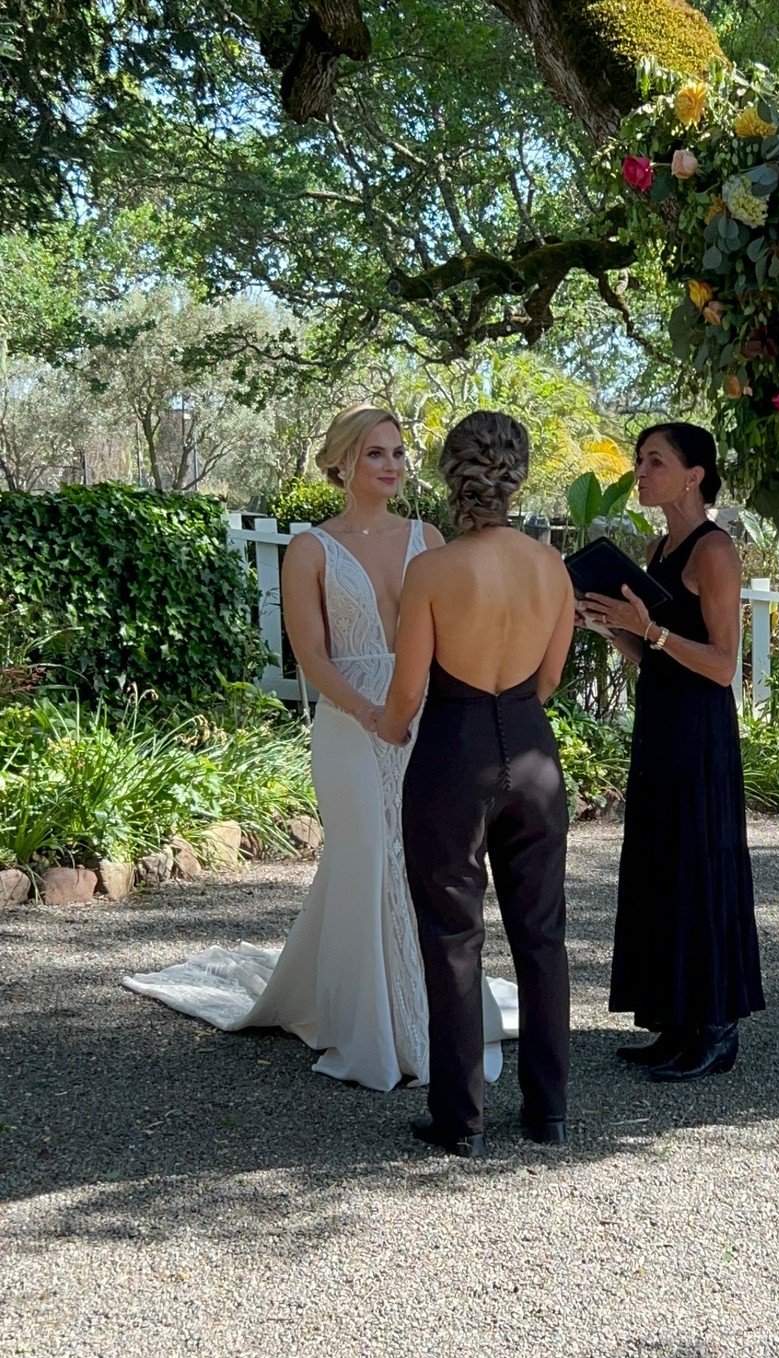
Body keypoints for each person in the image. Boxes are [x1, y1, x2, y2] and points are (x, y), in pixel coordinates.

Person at [123, 404, 519, 1090]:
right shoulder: (311, 548)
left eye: (398, 453)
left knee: (423, 860)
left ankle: (431, 1013)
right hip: (348, 722)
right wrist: (370, 712)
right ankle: (371, 1031)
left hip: (429, 720)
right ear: (341, 462)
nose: (392, 465)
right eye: (375, 454)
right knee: (368, 853)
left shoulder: (428, 535)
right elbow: (311, 656)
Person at [380, 409, 574, 1159]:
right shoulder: (551, 568)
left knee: (453, 934)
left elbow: (406, 696)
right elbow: (550, 678)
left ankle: (461, 1121)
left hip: (453, 752)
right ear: (518, 475)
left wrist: (388, 727)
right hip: (531, 750)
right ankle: (548, 1111)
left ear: (451, 475)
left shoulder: (431, 571)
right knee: (543, 934)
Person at [580, 422, 764, 1082]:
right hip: (660, 723)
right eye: (639, 459)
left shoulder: (715, 551)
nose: (641, 470)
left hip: (698, 730)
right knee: (661, 863)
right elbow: (651, 650)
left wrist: (652, 630)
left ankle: (717, 1030)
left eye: (654, 461)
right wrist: (610, 625)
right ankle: (676, 1019)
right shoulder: (660, 544)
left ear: (694, 475)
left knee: (699, 865)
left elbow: (720, 665)